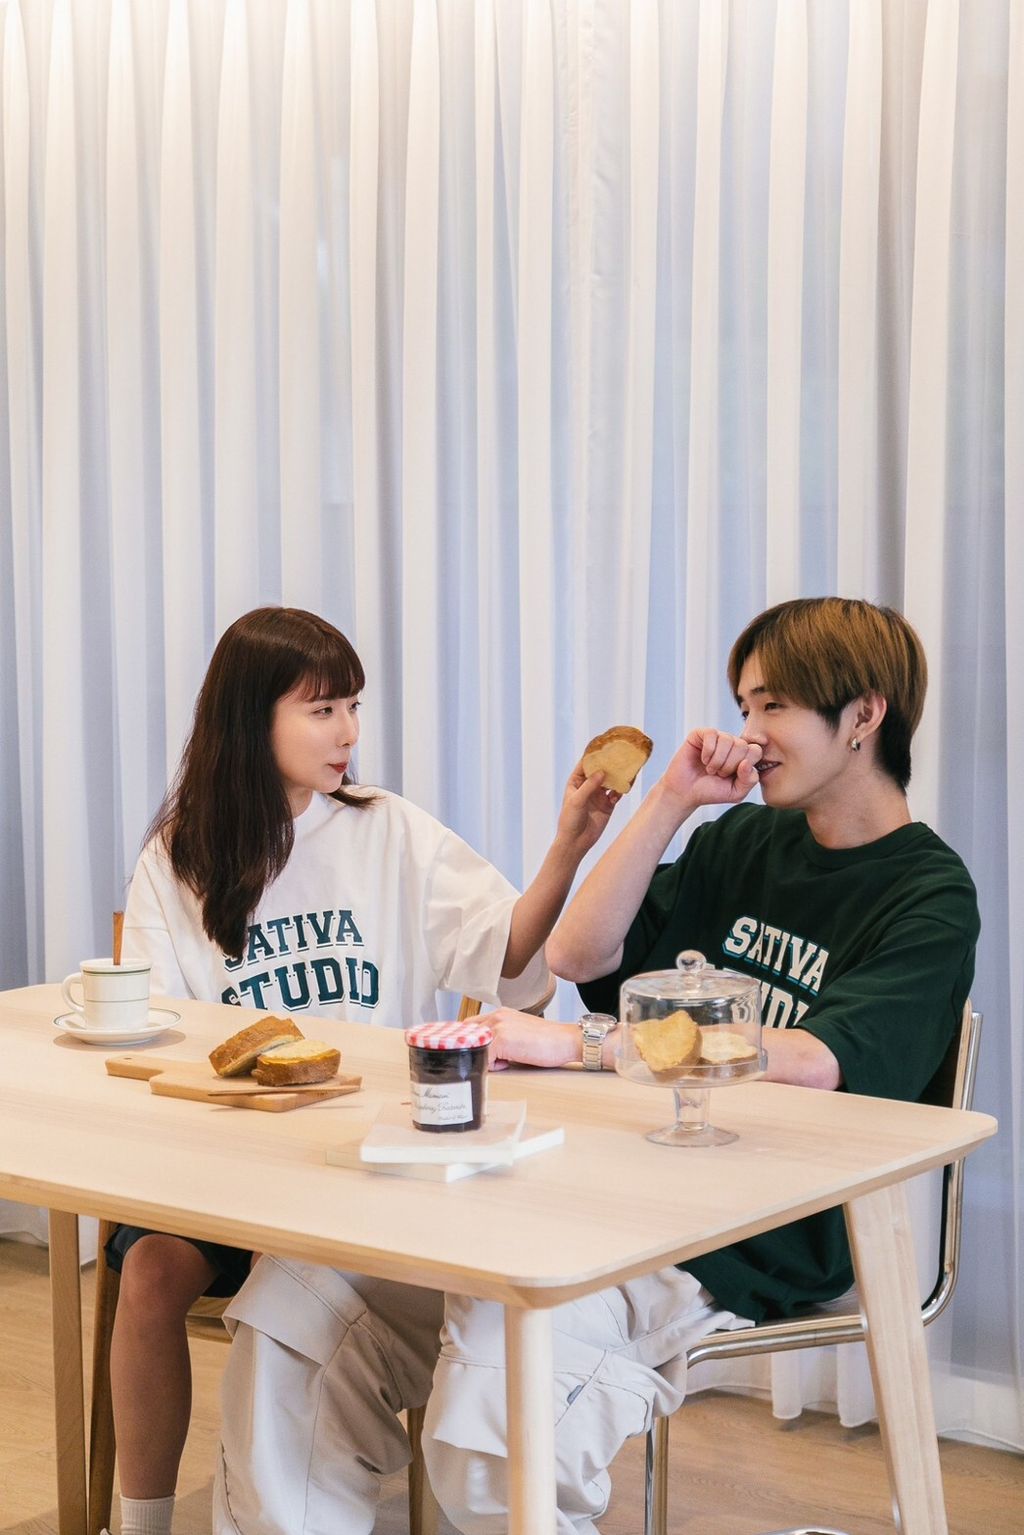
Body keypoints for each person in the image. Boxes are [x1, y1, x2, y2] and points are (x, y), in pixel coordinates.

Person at [213, 596, 978, 1535]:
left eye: (773, 706)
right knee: (300, 1307)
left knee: (497, 1430)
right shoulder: (741, 840)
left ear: (864, 715)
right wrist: (669, 802)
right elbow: (578, 954)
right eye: (744, 706)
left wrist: (587, 1046)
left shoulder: (930, 894)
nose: (749, 732)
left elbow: (819, 1058)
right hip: (594, 1175)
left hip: (735, 1233)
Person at [106, 605, 620, 1535]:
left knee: (304, 1284)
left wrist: (569, 846)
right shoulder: (178, 856)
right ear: (250, 719)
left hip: (369, 1166)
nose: (347, 731)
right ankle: (135, 1525)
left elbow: (509, 954)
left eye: (352, 706)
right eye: (322, 710)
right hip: (223, 1163)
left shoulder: (389, 830)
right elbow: (157, 1031)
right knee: (146, 1272)